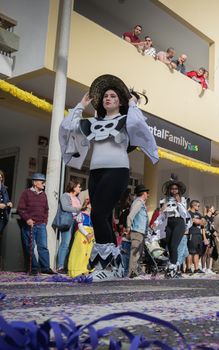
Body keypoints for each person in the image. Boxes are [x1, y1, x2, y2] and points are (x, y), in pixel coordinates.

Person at [59, 74, 159, 281]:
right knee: (102, 217)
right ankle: (112, 269)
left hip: (117, 171)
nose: (108, 98)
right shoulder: (93, 122)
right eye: (105, 96)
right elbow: (67, 127)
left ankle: (107, 267)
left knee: (97, 214)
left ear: (120, 101)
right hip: (96, 173)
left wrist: (132, 102)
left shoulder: (126, 120)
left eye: (113, 96)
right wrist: (81, 104)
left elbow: (140, 125)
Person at [17, 173, 55, 275]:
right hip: (30, 225)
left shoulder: (43, 195)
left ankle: (45, 268)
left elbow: (46, 210)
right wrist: (27, 219)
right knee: (30, 247)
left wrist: (44, 221)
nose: (44, 184)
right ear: (35, 182)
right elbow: (20, 209)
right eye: (42, 181)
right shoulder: (26, 193)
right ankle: (33, 269)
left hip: (41, 225)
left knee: (43, 247)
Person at [160, 175, 191, 278]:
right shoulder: (164, 200)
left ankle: (174, 267)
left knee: (174, 246)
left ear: (179, 190)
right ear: (169, 189)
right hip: (169, 223)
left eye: (176, 188)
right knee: (169, 247)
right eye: (172, 188)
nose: (174, 190)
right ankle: (173, 268)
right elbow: (162, 215)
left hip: (179, 222)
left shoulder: (183, 199)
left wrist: (179, 203)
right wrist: (156, 221)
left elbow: (184, 214)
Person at [56, 180, 82, 274]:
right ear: (74, 187)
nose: (80, 188)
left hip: (76, 222)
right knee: (65, 244)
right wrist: (78, 209)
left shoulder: (77, 198)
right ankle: (60, 266)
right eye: (79, 186)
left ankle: (68, 265)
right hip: (68, 222)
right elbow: (65, 207)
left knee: (72, 245)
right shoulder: (65, 196)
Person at [126, 185, 150, 278]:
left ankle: (135, 271)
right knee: (135, 253)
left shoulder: (140, 203)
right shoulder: (138, 203)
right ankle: (132, 272)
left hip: (140, 231)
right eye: (147, 193)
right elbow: (130, 216)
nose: (148, 195)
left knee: (138, 253)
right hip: (137, 231)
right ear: (143, 193)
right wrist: (128, 227)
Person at [68, 198, 94, 278]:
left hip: (91, 234)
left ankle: (86, 269)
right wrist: (87, 234)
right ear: (87, 205)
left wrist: (92, 234)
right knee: (81, 251)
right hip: (82, 235)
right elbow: (80, 226)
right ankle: (78, 270)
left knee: (89, 252)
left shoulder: (93, 215)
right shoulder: (81, 214)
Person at [187, 200, 206, 273]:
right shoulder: (189, 213)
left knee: (197, 252)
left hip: (198, 235)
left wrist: (199, 221)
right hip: (192, 234)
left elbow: (204, 223)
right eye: (198, 206)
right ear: (193, 206)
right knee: (191, 252)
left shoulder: (199, 214)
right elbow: (195, 221)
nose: (199, 207)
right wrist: (199, 221)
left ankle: (196, 268)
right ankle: (188, 268)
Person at [202, 205, 216, 274]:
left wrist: (216, 236)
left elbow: (213, 228)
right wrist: (204, 238)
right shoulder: (204, 218)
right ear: (210, 209)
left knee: (209, 253)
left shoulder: (213, 218)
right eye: (213, 208)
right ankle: (203, 268)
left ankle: (208, 268)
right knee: (205, 253)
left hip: (212, 237)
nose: (214, 209)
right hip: (206, 237)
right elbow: (203, 229)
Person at [0, 170, 13, 240]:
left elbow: (6, 200)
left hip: (2, 217)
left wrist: (9, 203)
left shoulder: (4, 188)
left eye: (0, 176)